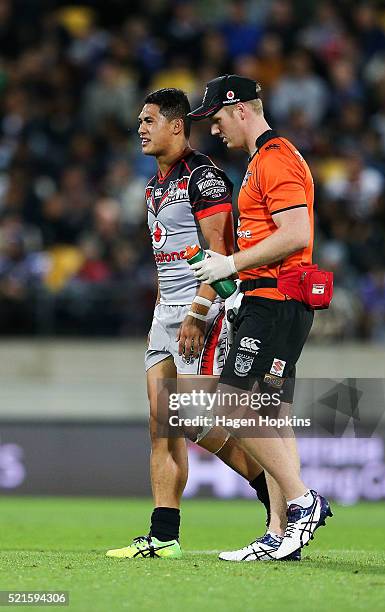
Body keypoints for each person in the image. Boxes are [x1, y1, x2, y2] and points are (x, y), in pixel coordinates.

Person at [106, 88, 287, 560]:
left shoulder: (202, 177)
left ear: (176, 125)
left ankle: (272, 488)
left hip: (202, 309)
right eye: (139, 121)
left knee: (192, 418)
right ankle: (164, 534)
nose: (141, 128)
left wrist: (199, 312)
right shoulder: (154, 185)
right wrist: (165, 312)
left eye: (149, 120)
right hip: (165, 312)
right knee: (160, 422)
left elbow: (221, 251)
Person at [188, 75, 332, 561]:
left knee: (227, 407)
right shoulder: (262, 161)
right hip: (266, 300)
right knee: (272, 416)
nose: (213, 129)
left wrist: (230, 264)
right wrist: (234, 287)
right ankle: (278, 533)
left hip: (274, 304)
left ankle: (302, 501)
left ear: (241, 109)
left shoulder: (275, 159)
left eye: (217, 118)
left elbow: (296, 233)